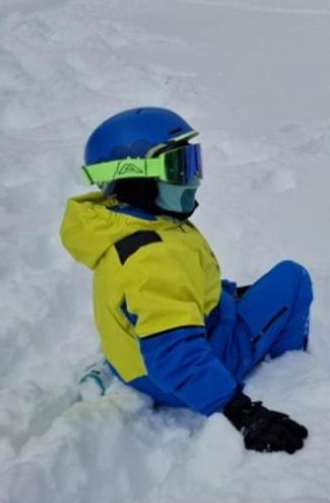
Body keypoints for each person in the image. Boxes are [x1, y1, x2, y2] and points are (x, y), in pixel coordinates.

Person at [60, 107, 312, 453]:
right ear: (136, 179)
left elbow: (168, 295)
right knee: (292, 278)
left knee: (245, 295)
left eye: (193, 162)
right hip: (178, 377)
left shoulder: (127, 224)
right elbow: (174, 354)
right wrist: (242, 412)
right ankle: (289, 366)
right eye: (179, 166)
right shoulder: (153, 257)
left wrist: (222, 297)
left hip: (133, 364)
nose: (194, 178)